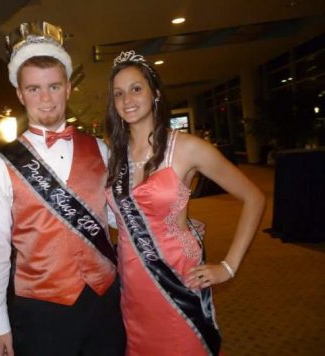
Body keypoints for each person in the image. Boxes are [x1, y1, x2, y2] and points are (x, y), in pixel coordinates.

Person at [0, 22, 125, 356]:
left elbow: (117, 219)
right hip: (42, 310)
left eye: (54, 86)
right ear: (19, 93)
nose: (45, 99)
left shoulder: (100, 150)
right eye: (34, 89)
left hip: (105, 300)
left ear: (69, 88)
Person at [104, 50, 266, 356]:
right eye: (119, 93)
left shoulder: (188, 148)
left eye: (136, 88)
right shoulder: (114, 155)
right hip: (132, 286)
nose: (127, 99)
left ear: (155, 94)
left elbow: (254, 197)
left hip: (178, 279)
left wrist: (229, 266)